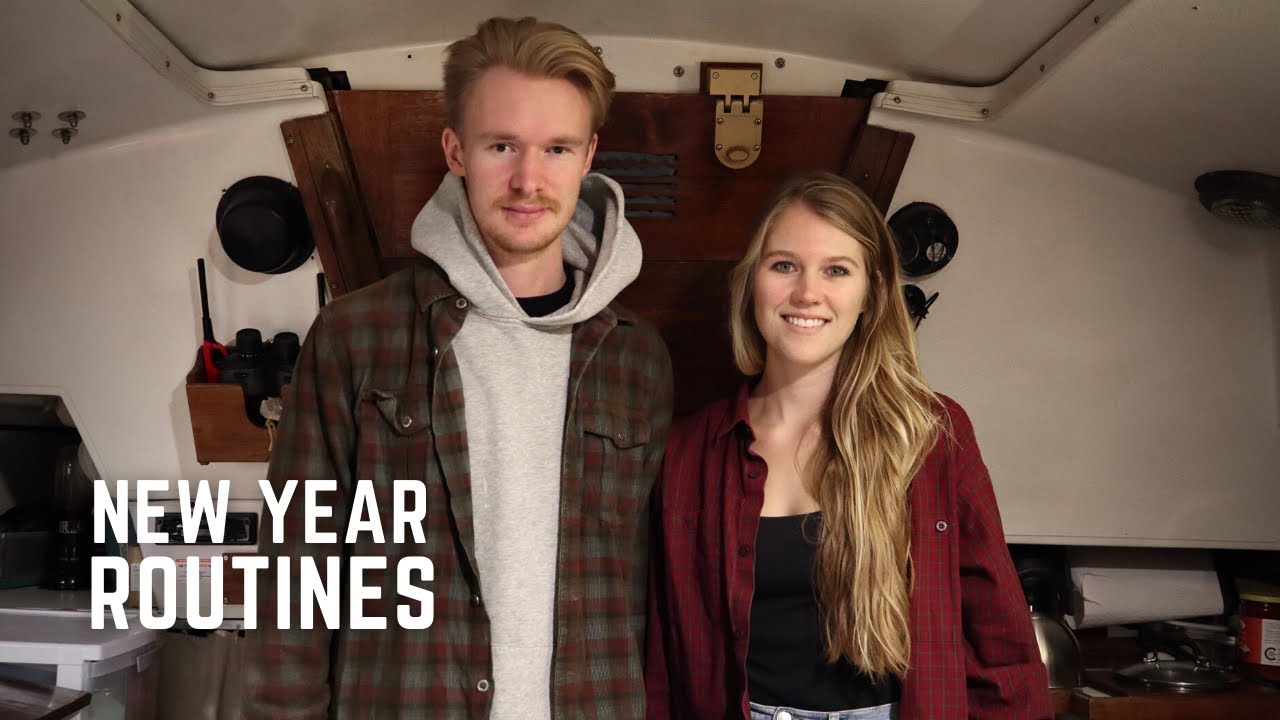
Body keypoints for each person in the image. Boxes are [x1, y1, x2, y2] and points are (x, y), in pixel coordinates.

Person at [244, 17, 673, 719]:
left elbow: (650, 591)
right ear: (456, 150)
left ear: (589, 156)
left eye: (556, 148)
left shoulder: (637, 358)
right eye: (501, 145)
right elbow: (296, 571)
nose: (528, 180)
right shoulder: (357, 336)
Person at [645, 172, 1050, 720]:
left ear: (870, 293)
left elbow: (1000, 644)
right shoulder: (689, 452)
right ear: (752, 283)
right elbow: (663, 661)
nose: (806, 293)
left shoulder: (930, 435)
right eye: (783, 265)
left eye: (836, 270)